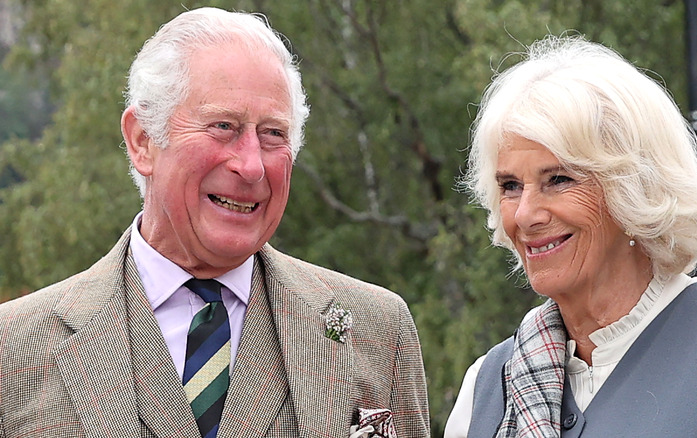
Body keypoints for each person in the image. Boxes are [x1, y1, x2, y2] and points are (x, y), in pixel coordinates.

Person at [0, 7, 429, 438]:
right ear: (143, 140)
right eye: (223, 126)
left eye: (273, 134)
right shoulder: (14, 349)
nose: (251, 166)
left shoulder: (376, 328)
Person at [444, 35, 697, 438]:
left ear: (634, 189)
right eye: (511, 186)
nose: (526, 214)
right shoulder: (487, 387)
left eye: (558, 179)